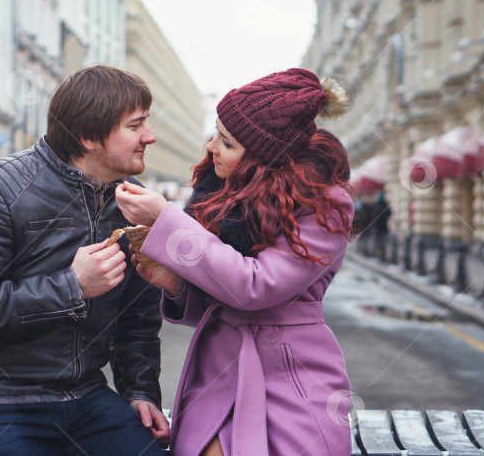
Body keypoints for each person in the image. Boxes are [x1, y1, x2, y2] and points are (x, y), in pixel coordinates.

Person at [116, 68, 355, 455]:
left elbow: (255, 288)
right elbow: (223, 300)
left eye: (226, 142)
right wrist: (175, 284)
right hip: (217, 370)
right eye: (215, 133)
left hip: (290, 378)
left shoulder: (324, 205)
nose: (210, 147)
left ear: (263, 156)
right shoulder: (227, 195)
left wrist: (166, 220)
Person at [0, 65, 169, 455]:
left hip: (85, 395)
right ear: (89, 137)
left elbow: (138, 318)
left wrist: (140, 390)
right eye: (135, 125)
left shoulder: (133, 200)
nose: (150, 136)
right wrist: (70, 286)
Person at [372, 192, 392, 260]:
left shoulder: (376, 205)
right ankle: (382, 254)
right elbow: (389, 213)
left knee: (378, 241)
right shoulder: (385, 204)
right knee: (383, 241)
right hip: (383, 226)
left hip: (377, 227)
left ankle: (379, 254)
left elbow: (372, 214)